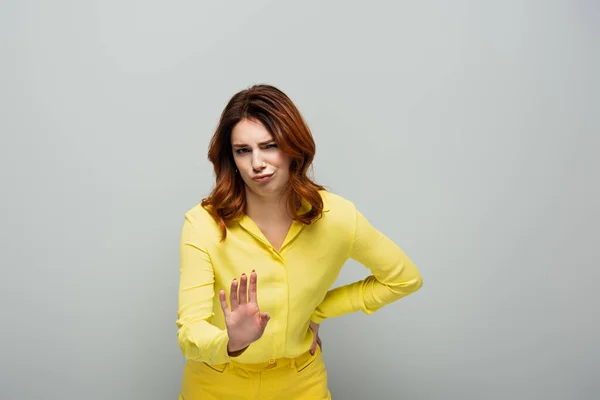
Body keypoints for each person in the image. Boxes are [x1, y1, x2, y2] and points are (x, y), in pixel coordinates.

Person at [176, 84, 423, 399]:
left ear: (294, 147)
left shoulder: (336, 216)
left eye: (269, 146)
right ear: (231, 157)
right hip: (215, 386)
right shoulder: (203, 223)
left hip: (300, 384)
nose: (257, 163)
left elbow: (404, 279)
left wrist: (317, 311)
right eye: (243, 150)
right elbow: (190, 331)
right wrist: (232, 341)